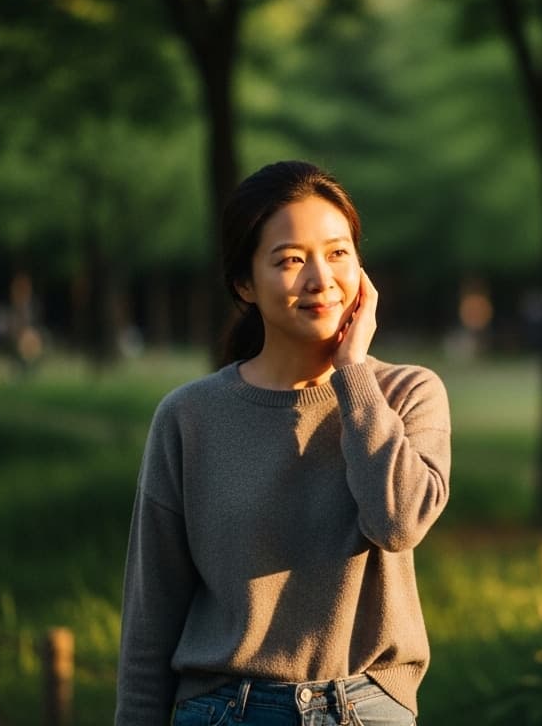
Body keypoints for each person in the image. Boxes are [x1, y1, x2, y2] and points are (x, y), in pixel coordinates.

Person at [116, 160, 451, 725]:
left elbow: (396, 522)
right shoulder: (189, 417)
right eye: (291, 260)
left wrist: (353, 373)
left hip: (365, 708)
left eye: (338, 252)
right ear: (244, 284)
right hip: (225, 710)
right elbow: (151, 618)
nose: (321, 278)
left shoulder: (406, 394)